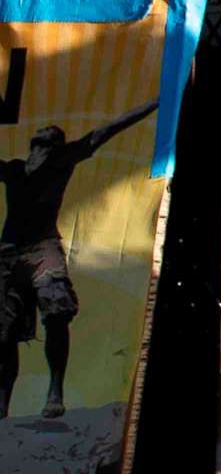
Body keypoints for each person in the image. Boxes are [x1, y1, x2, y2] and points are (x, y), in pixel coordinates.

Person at [0, 101, 158, 419]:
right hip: (8, 255)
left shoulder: (62, 160)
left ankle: (55, 392)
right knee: (4, 334)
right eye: (41, 141)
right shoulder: (16, 170)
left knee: (57, 312)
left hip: (44, 249)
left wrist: (157, 103)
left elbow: (108, 130)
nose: (43, 146)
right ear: (32, 148)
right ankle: (3, 405)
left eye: (50, 141)